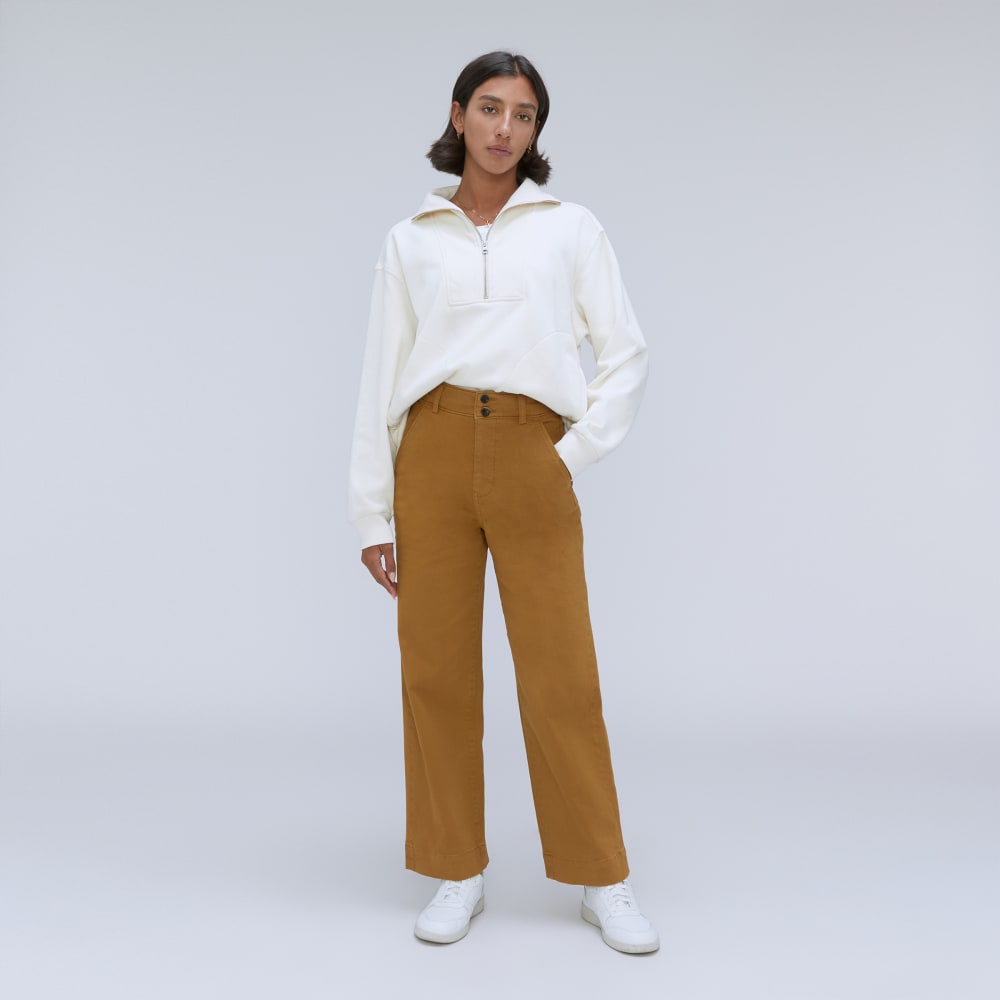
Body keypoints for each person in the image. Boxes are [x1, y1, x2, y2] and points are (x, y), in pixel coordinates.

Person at [347, 51, 658, 954]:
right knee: (435, 672)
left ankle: (602, 876)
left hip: (531, 449)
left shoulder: (570, 228)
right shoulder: (411, 239)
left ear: (535, 131)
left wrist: (570, 453)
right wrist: (372, 512)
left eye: (523, 115)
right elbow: (379, 379)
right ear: (458, 115)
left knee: (561, 673)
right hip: (432, 451)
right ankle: (457, 867)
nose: (504, 129)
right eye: (489, 108)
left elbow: (626, 352)